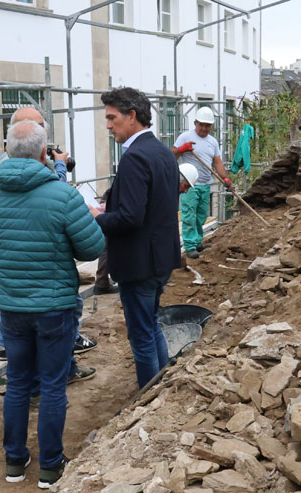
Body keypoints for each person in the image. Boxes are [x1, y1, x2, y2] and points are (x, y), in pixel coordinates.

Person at [0, 119, 105, 485]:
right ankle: (50, 465)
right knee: (51, 385)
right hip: (55, 308)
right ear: (45, 153)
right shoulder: (61, 195)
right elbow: (92, 247)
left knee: (17, 383)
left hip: (12, 307)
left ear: (7, 151)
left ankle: (14, 461)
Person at [0, 106, 99, 382]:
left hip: (15, 284)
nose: (39, 131)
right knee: (51, 378)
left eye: (39, 124)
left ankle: (47, 373)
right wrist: (60, 165)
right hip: (46, 279)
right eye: (31, 125)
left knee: (20, 379)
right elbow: (55, 195)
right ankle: (63, 368)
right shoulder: (24, 167)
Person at [96, 87, 181, 389]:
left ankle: (148, 396)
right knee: (152, 325)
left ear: (131, 116)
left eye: (111, 118)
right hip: (160, 259)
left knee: (142, 334)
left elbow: (131, 217)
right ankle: (160, 389)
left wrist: (99, 217)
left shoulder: (134, 158)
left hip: (139, 263)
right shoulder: (161, 151)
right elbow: (158, 205)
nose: (108, 125)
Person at [173, 106, 232, 259]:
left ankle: (198, 241)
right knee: (189, 216)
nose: (204, 128)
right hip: (189, 185)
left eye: (208, 126)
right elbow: (170, 155)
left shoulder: (212, 142)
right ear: (196, 123)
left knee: (201, 216)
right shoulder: (185, 137)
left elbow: (217, 161)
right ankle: (190, 245)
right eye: (202, 125)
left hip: (206, 184)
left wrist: (224, 178)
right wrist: (182, 149)